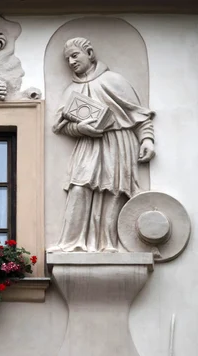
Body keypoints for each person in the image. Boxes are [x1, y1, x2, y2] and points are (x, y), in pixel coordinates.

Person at [48, 37, 155, 253]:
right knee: (79, 188)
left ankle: (109, 244)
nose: (70, 62)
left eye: (74, 55)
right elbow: (61, 126)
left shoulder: (113, 81)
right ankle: (72, 243)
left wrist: (147, 139)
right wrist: (80, 129)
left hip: (118, 141)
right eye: (67, 58)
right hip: (88, 144)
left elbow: (138, 115)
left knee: (114, 191)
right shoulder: (71, 91)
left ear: (90, 53)